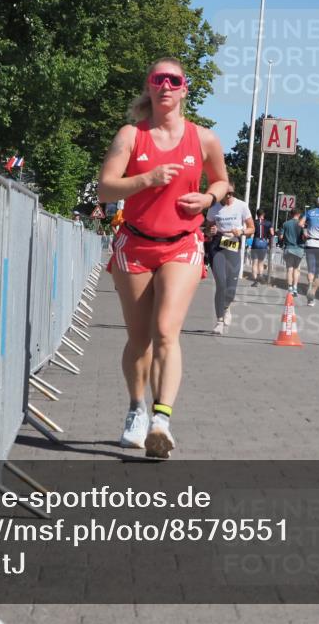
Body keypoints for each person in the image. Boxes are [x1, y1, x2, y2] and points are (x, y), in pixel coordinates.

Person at [98, 58, 229, 459]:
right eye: (159, 79)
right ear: (149, 87)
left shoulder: (203, 139)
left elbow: (221, 181)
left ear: (185, 89)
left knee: (166, 331)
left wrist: (207, 198)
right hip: (135, 245)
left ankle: (161, 420)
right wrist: (146, 180)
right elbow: (105, 188)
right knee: (139, 339)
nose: (167, 86)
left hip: (182, 244)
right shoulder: (131, 135)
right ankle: (136, 409)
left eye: (174, 80)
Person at [204, 181, 254, 335]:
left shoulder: (242, 206)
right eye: (226, 194)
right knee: (221, 283)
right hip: (217, 245)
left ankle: (226, 307)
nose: (228, 197)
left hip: (233, 243)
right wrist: (210, 231)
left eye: (231, 193)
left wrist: (242, 232)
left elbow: (252, 228)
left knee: (231, 287)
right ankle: (219, 320)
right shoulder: (214, 208)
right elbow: (207, 229)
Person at [279, 208, 306, 297]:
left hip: (289, 248)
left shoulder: (285, 224)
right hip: (299, 249)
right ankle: (295, 288)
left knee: (289, 269)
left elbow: (281, 237)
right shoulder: (302, 225)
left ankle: (290, 288)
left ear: (291, 214)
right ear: (299, 215)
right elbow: (304, 237)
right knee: (296, 269)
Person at [250, 208, 273, 286]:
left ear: (257, 215)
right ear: (264, 214)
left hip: (255, 242)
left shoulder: (254, 222)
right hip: (264, 242)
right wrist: (270, 244)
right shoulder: (268, 223)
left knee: (254, 262)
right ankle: (260, 276)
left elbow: (251, 232)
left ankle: (255, 280)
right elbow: (272, 233)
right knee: (261, 262)